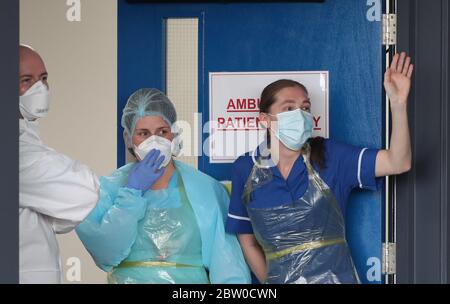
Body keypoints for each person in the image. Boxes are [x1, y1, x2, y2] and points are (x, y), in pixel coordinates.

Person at [226, 52, 414, 284]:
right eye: (289, 108)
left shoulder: (331, 155)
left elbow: (398, 161)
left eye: (305, 107)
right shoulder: (246, 168)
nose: (301, 114)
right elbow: (247, 239)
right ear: (264, 119)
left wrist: (398, 103)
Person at [76, 88, 250, 284]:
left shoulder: (206, 189)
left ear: (174, 135)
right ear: (128, 138)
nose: (154, 141)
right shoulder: (107, 189)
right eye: (143, 133)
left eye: (162, 132)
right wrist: (131, 194)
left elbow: (228, 265)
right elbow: (106, 254)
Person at [19, 45, 100, 283]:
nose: (39, 88)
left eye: (43, 78)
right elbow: (85, 194)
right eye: (26, 80)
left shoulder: (27, 135)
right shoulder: (20, 152)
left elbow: (59, 217)